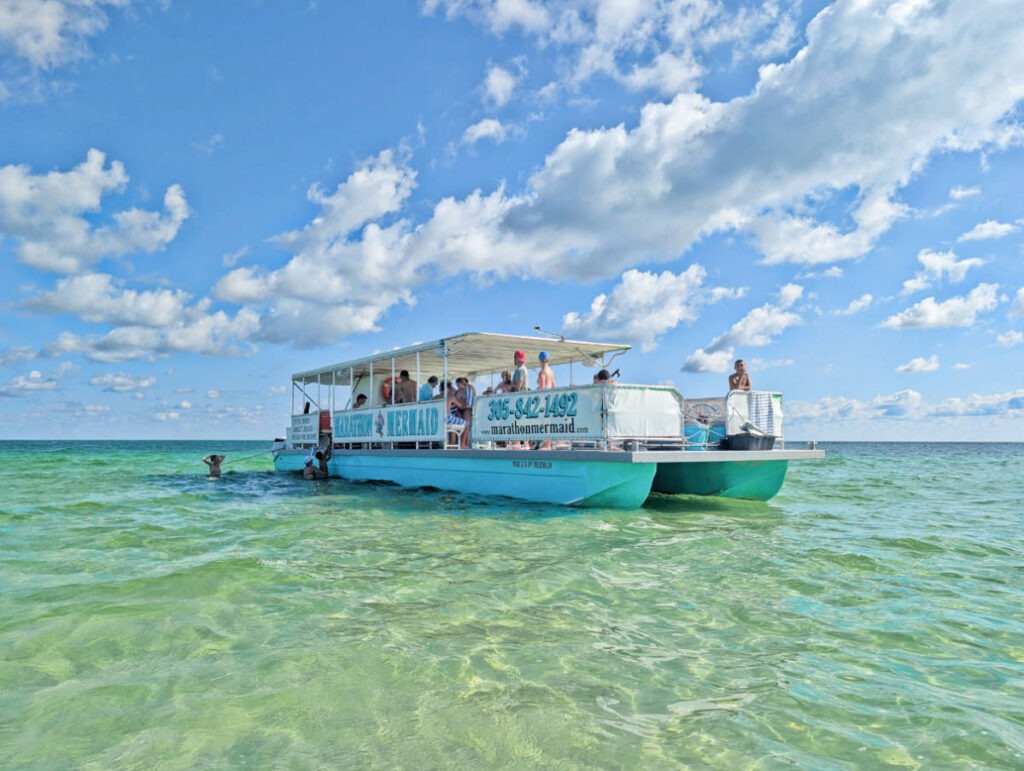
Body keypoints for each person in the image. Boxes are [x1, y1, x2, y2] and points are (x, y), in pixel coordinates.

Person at [455, 377, 476, 449]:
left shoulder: (469, 389)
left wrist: (461, 403)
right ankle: (462, 443)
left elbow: (469, 403)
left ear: (461, 383)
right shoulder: (458, 391)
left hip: (467, 409)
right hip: (461, 409)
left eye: (458, 384)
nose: (457, 385)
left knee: (466, 427)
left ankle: (464, 444)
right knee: (462, 427)